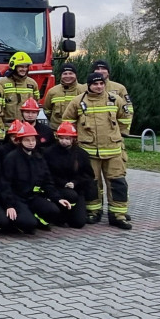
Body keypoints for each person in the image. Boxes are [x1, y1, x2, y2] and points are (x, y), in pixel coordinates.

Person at [62, 72, 132, 229]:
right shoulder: (77, 102)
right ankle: (93, 212)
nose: (99, 86)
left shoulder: (115, 100)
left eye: (101, 83)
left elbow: (126, 118)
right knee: (92, 183)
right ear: (89, 85)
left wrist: (119, 134)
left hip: (113, 150)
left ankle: (118, 215)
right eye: (95, 84)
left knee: (118, 183)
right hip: (88, 151)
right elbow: (67, 122)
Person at [2, 122, 73, 233]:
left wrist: (58, 198)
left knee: (54, 210)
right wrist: (9, 205)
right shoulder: (11, 158)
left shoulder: (39, 158)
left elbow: (47, 182)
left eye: (33, 140)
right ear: (20, 141)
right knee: (29, 224)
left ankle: (34, 219)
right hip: (17, 198)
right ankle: (17, 223)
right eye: (27, 140)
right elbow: (5, 184)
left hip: (33, 197)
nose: (31, 143)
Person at [42, 122, 93, 229]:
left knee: (78, 223)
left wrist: (75, 183)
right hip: (58, 189)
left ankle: (69, 214)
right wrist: (63, 183)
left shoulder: (81, 154)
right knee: (70, 196)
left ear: (73, 139)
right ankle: (60, 215)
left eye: (67, 138)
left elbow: (88, 175)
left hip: (77, 189)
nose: (64, 141)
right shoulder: (49, 153)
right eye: (61, 138)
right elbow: (46, 174)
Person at [91, 59, 134, 135]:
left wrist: (124, 130)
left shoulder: (120, 88)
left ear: (108, 72)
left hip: (113, 133)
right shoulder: (84, 88)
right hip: (90, 132)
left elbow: (128, 110)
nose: (100, 71)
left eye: (103, 69)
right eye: (97, 69)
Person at [0, 51, 39, 125]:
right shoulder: (2, 83)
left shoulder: (32, 83)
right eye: (21, 66)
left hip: (26, 125)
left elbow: (36, 102)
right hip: (7, 125)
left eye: (26, 67)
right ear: (13, 66)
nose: (24, 69)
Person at [42, 64, 84, 128]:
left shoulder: (83, 90)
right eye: (65, 74)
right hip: (57, 131)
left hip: (78, 130)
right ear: (61, 75)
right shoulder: (52, 91)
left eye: (71, 73)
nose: (68, 76)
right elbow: (47, 111)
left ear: (75, 75)